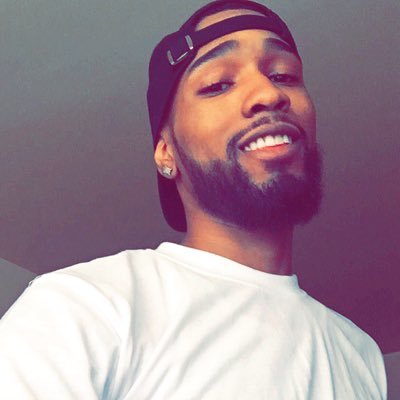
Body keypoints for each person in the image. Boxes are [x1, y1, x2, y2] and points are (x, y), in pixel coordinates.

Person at [0, 0, 387, 398]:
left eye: (283, 75)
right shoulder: (83, 308)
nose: (269, 93)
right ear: (166, 153)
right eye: (218, 84)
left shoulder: (360, 356)